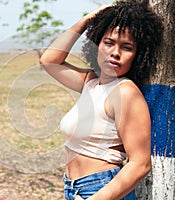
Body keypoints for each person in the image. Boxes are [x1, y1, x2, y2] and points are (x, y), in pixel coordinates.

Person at [39, 1, 163, 200]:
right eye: (108, 43)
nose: (115, 52)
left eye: (127, 47)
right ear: (97, 44)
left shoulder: (125, 93)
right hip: (74, 188)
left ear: (137, 55)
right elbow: (49, 60)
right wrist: (88, 20)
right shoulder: (91, 83)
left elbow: (140, 164)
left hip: (101, 191)